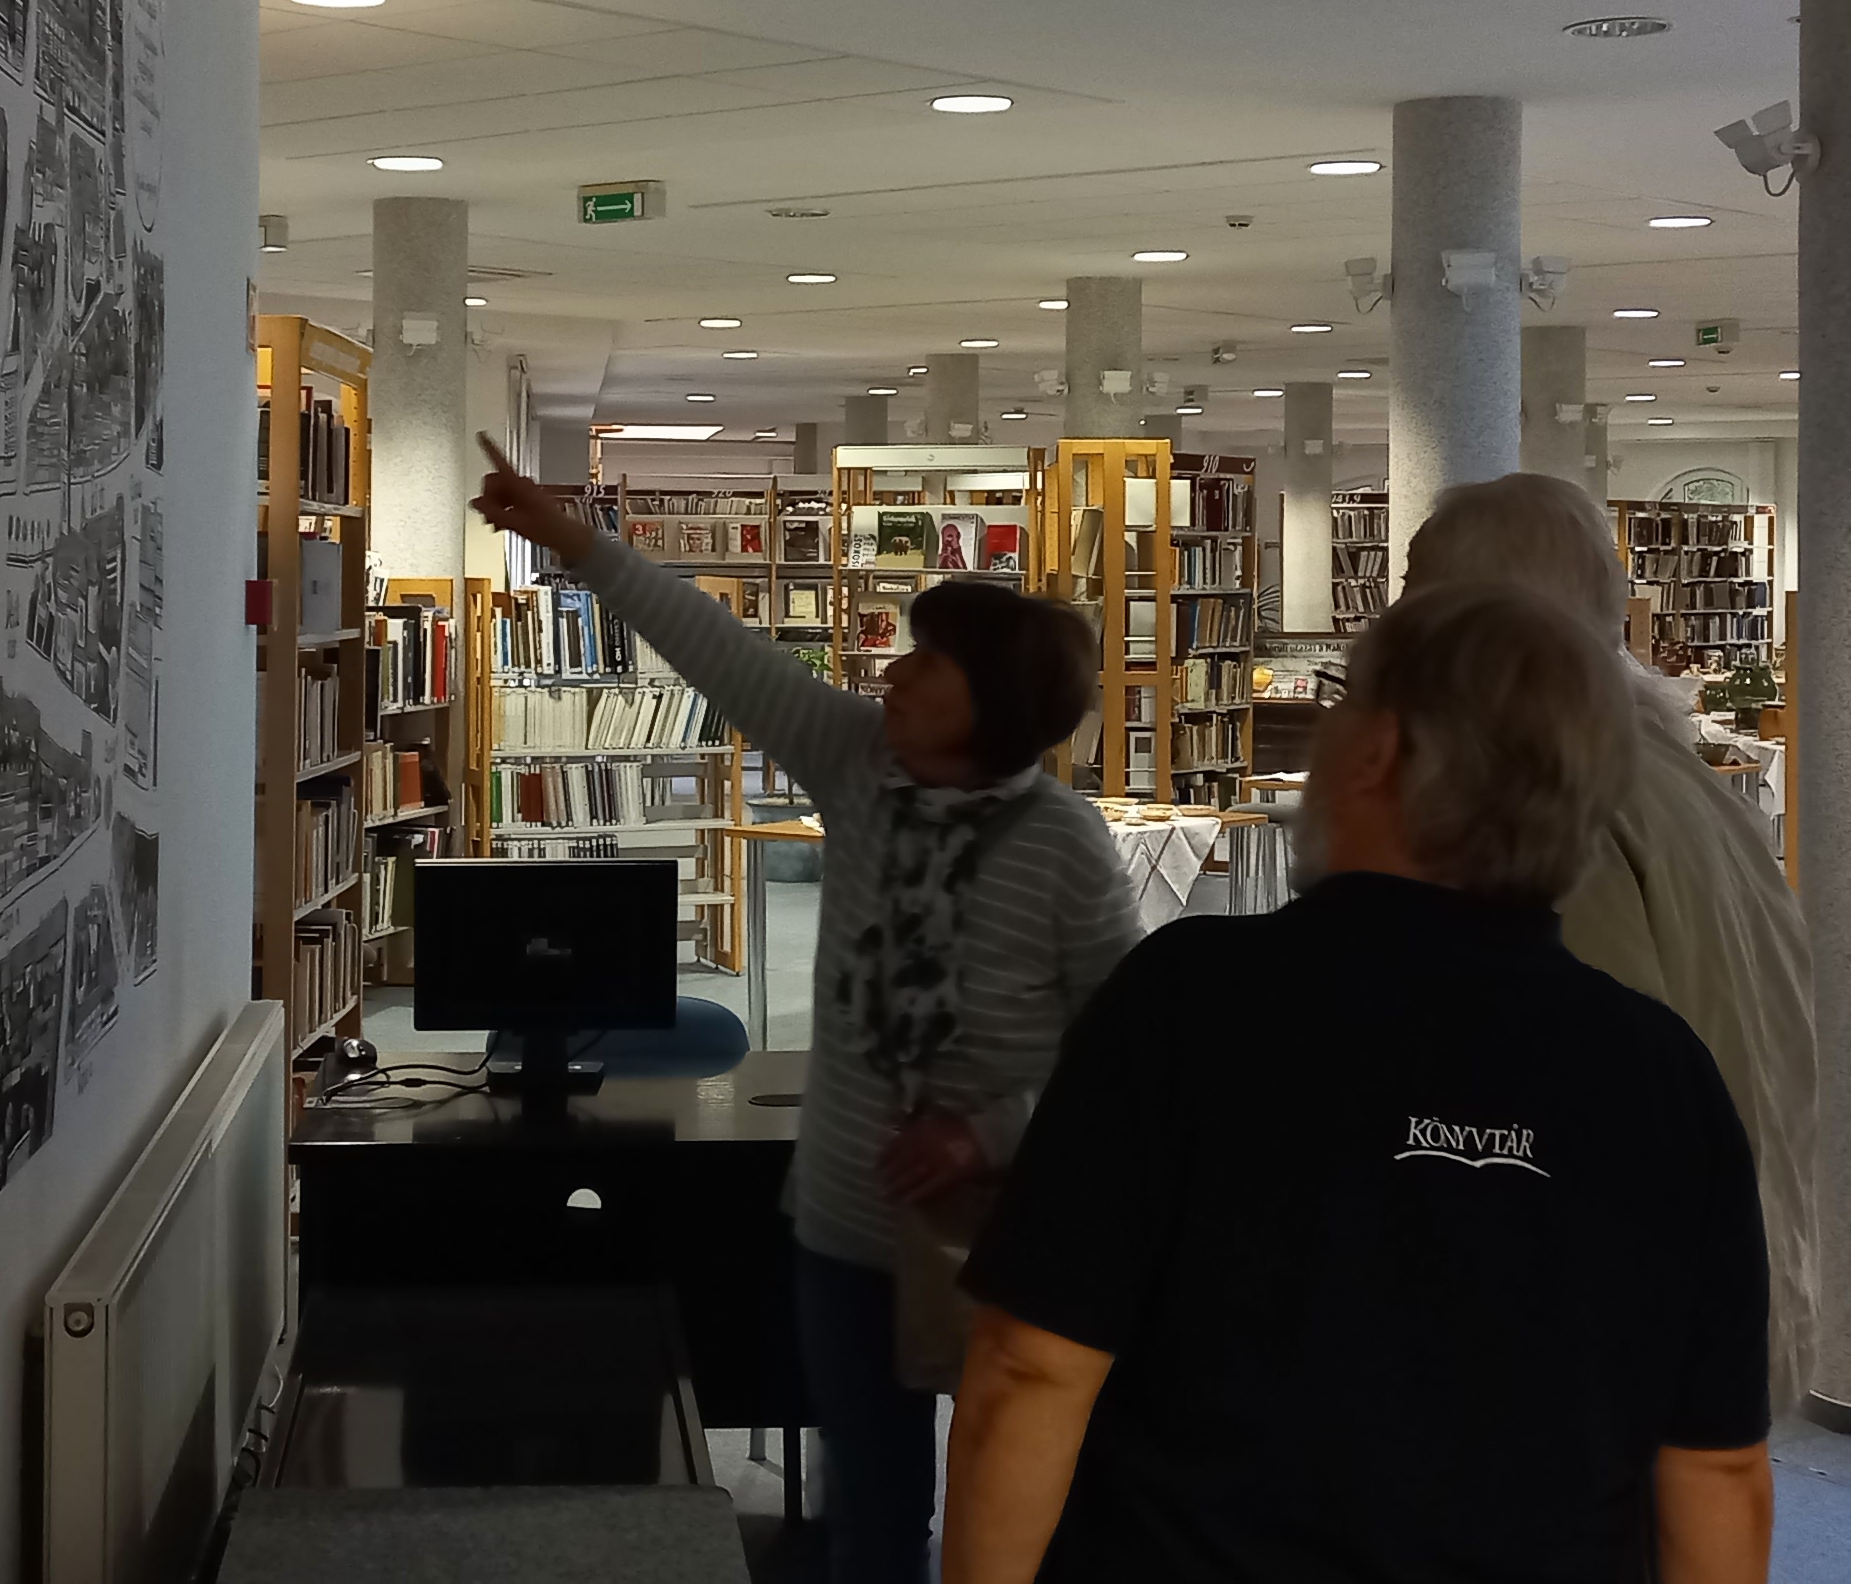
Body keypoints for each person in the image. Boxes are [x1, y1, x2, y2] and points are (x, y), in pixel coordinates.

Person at [939, 583, 1776, 1584]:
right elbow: (1718, 1468)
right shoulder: (1665, 1075)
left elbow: (1031, 1367)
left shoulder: (1189, 1004)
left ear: (1378, 749)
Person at [473, 437, 1136, 1584]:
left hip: (1009, 1229)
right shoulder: (856, 761)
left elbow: (1124, 1053)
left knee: (1022, 1504)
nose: (894, 672)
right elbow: (715, 646)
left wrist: (987, 1131)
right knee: (871, 1517)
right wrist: (570, 537)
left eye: (928, 660)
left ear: (994, 702)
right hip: (846, 1218)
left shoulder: (1063, 845)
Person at [1404, 472, 1817, 1414]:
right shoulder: (1683, 783)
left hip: (1609, 1335)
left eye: (1414, 594)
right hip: (1732, 1273)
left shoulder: (1542, 807)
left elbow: (1562, 1094)